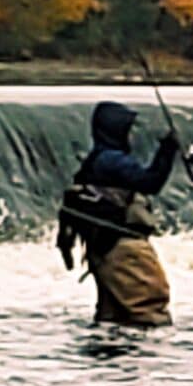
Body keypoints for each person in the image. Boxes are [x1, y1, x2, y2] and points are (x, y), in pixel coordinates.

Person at [56, 98, 182, 325]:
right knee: (149, 309)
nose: (131, 135)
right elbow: (151, 183)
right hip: (123, 248)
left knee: (113, 317)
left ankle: (106, 349)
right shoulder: (112, 160)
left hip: (103, 247)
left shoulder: (97, 160)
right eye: (127, 128)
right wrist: (167, 150)